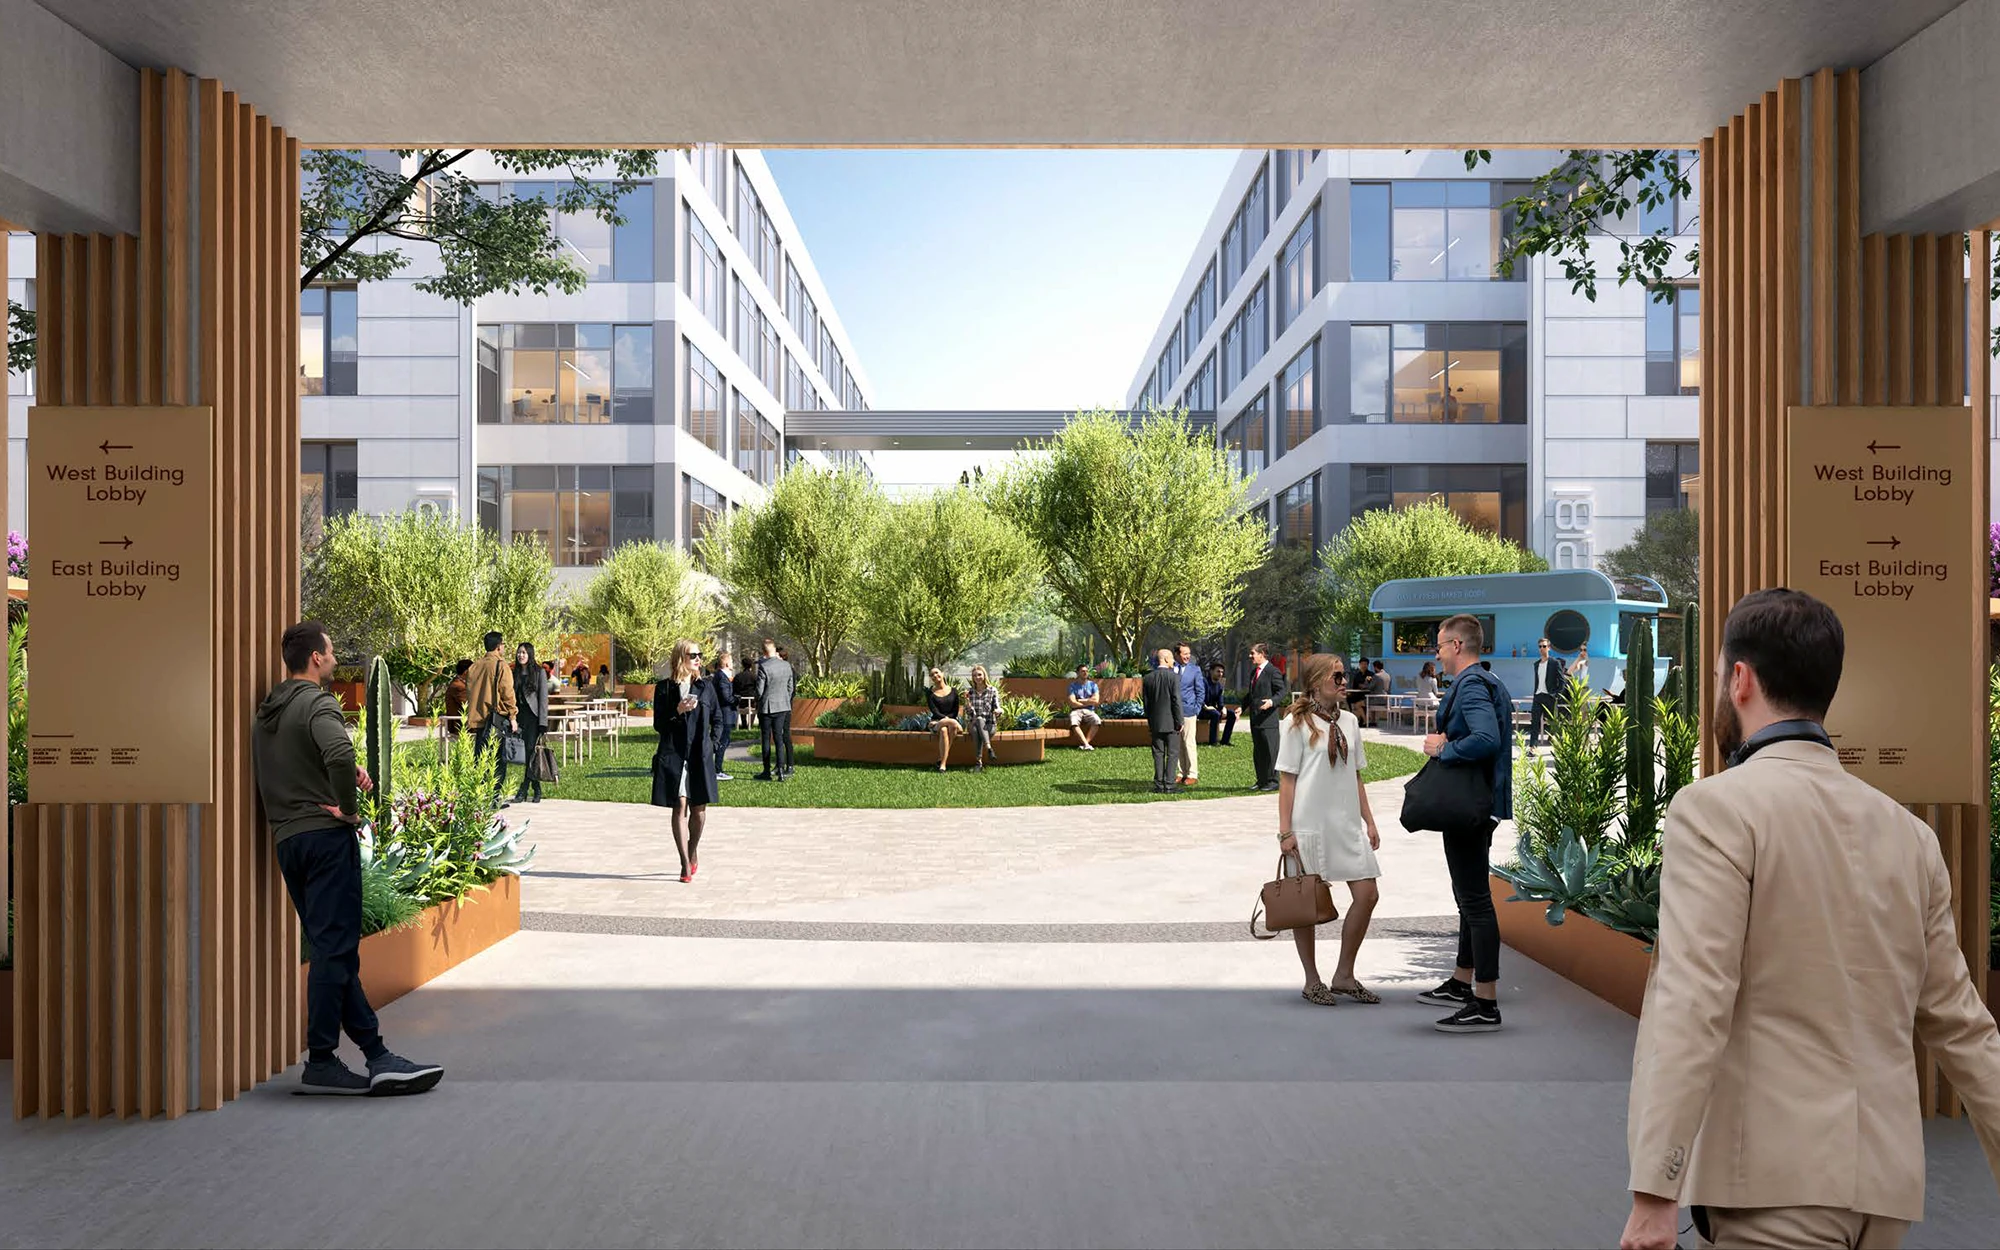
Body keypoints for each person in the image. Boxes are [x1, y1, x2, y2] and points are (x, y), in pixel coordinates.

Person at [1618, 589, 2000, 1250]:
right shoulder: (1908, 836)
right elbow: (1963, 1027)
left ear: (1740, 680)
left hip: (1771, 1191)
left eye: (1716, 676)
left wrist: (1655, 1191)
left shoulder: (1716, 811)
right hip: (1884, 1196)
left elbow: (1693, 998)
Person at [253, 621, 441, 1096]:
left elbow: (307, 763)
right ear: (315, 657)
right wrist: (349, 808)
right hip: (325, 840)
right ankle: (320, 1059)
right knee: (334, 951)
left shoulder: (269, 712)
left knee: (331, 952)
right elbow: (336, 752)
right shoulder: (318, 703)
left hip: (288, 841)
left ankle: (378, 1056)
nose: (335, 657)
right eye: (331, 651)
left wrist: (335, 776)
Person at [1419, 613, 1513, 1034]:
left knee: (1475, 900)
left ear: (1457, 646)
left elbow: (1486, 739)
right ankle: (1462, 982)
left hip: (1469, 808)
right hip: (1478, 805)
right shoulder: (1489, 681)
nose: (1436, 654)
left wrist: (1444, 748)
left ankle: (1485, 1002)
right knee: (1467, 896)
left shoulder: (1472, 684)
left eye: (1439, 646)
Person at [1275, 654, 1383, 1007]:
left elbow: (1355, 774)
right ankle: (1312, 980)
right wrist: (1285, 831)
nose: (1343, 681)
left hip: (1347, 823)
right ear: (1317, 680)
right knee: (1304, 903)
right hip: (1308, 825)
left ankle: (1344, 975)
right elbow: (1287, 781)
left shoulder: (1350, 722)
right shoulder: (1295, 724)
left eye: (1344, 675)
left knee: (1367, 895)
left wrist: (1369, 820)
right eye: (1337, 676)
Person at [651, 639, 718, 883]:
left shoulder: (705, 687)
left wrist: (715, 744)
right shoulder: (664, 689)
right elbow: (659, 725)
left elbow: (718, 718)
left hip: (699, 755)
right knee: (680, 806)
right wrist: (677, 711)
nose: (698, 659)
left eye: (700, 655)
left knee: (699, 810)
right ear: (681, 658)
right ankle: (684, 864)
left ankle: (692, 851)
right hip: (674, 754)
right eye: (693, 655)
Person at [465, 630, 518, 798]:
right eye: (503, 645)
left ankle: (480, 796)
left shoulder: (474, 666)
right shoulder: (500, 666)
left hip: (478, 720)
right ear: (498, 646)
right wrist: (513, 715)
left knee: (480, 760)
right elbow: (507, 692)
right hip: (496, 719)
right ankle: (494, 797)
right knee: (498, 760)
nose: (503, 648)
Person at [1246, 642, 1289, 792]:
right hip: (1256, 718)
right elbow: (1251, 694)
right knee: (1258, 751)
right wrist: (1240, 707)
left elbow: (1282, 691)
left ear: (1262, 653)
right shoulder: (1254, 672)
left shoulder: (1273, 671)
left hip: (1268, 720)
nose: (1250, 656)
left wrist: (1271, 702)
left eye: (1253, 653)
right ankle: (1261, 780)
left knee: (1271, 751)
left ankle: (1273, 781)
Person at [1140, 646, 1182, 794]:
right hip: (1171, 722)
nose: (1173, 661)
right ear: (1165, 659)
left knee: (1158, 753)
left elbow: (1146, 703)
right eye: (1171, 658)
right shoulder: (1173, 677)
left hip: (1155, 722)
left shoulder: (1147, 678)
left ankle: (1158, 784)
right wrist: (1180, 721)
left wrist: (1150, 720)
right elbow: (1176, 700)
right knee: (1172, 753)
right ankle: (1169, 784)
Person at [510, 641, 549, 804]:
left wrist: (543, 722)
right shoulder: (514, 673)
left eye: (524, 653)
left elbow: (543, 699)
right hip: (519, 718)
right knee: (526, 754)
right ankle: (536, 788)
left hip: (533, 718)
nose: (521, 655)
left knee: (530, 751)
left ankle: (523, 789)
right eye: (519, 652)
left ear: (530, 654)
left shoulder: (539, 672)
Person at [753, 638, 795, 781]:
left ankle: (766, 771)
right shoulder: (786, 665)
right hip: (782, 706)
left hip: (767, 707)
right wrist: (784, 698)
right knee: (778, 739)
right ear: (774, 650)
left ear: (764, 651)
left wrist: (758, 700)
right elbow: (790, 687)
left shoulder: (764, 667)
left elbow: (759, 691)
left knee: (766, 739)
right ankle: (781, 771)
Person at [1528, 637, 1568, 748]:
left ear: (1549, 648)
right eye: (1540, 646)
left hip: (1549, 697)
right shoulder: (1536, 664)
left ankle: (1560, 747)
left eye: (1544, 646)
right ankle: (1532, 748)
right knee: (1534, 723)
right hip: (1538, 696)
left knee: (1553, 724)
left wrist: (1555, 695)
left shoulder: (1554, 663)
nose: (1542, 648)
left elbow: (1562, 681)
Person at [1174, 642, 1203, 786]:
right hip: (1173, 713)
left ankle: (1192, 773)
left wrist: (1196, 708)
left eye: (1188, 653)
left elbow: (1200, 691)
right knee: (1178, 743)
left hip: (1189, 711)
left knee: (1189, 742)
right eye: (1184, 653)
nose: (1187, 656)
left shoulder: (1195, 670)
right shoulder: (1171, 668)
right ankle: (1181, 772)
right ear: (1177, 655)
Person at [925, 667, 964, 772]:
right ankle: (943, 763)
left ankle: (942, 762)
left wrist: (948, 720)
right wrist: (947, 720)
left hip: (950, 721)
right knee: (947, 727)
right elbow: (934, 711)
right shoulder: (930, 693)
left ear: (942, 673)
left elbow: (955, 711)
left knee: (945, 729)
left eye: (936, 673)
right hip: (937, 721)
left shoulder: (954, 691)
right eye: (932, 675)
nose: (935, 676)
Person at [963, 665, 1000, 771]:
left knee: (977, 730)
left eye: (979, 674)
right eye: (974, 675)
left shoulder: (992, 690)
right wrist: (968, 705)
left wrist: (998, 711)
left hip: (989, 725)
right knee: (977, 722)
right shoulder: (969, 692)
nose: (977, 677)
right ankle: (989, 748)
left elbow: (997, 706)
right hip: (973, 723)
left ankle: (978, 763)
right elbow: (968, 712)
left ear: (984, 675)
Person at [709, 651, 737, 782]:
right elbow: (726, 697)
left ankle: (715, 768)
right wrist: (736, 699)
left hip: (724, 714)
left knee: (722, 741)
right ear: (726, 663)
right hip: (724, 715)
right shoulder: (722, 677)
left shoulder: (720, 676)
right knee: (721, 742)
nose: (733, 663)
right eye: (731, 661)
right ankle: (717, 770)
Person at [1198, 661, 1237, 746]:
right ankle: (1213, 742)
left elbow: (1220, 701)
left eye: (1222, 672)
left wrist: (1223, 708)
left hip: (1212, 709)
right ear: (1211, 671)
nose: (1220, 674)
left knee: (1232, 714)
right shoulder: (1204, 682)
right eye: (1218, 671)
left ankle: (1225, 741)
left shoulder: (1219, 685)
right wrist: (1206, 707)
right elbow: (1200, 698)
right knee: (1215, 714)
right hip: (1202, 710)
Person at [1066, 664, 1102, 750]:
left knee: (1097, 720)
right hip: (1076, 710)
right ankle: (1087, 744)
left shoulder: (1093, 685)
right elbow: (1072, 703)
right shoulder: (1072, 686)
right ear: (1078, 673)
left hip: (1089, 711)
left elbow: (1096, 701)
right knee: (1073, 722)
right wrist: (1089, 701)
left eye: (1086, 671)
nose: (1085, 673)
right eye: (1083, 671)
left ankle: (1086, 744)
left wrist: (1081, 700)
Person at [442, 658, 472, 740]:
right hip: (460, 725)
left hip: (462, 723)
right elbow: (470, 705)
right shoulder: (459, 687)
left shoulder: (459, 684)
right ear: (466, 672)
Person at [732, 655, 759, 733]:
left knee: (742, 703)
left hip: (741, 700)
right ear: (751, 665)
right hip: (752, 700)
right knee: (753, 704)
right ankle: (750, 723)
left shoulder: (738, 676)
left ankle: (744, 723)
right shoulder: (754, 676)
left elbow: (735, 688)